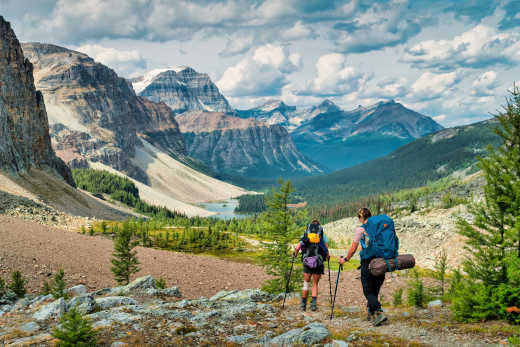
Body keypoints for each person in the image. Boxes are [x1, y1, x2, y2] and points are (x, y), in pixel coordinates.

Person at [339, 208, 387, 326]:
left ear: (361, 218)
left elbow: (353, 248)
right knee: (375, 287)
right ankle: (371, 313)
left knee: (367, 289)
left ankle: (379, 312)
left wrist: (345, 259)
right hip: (382, 261)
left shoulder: (361, 230)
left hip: (368, 261)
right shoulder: (380, 227)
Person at [294, 219, 329, 311]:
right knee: (315, 284)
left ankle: (303, 305)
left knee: (306, 283)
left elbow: (298, 246)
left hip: (307, 261)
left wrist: (295, 253)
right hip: (318, 262)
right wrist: (327, 257)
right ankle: (313, 305)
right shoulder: (322, 236)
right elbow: (326, 249)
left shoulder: (305, 235)